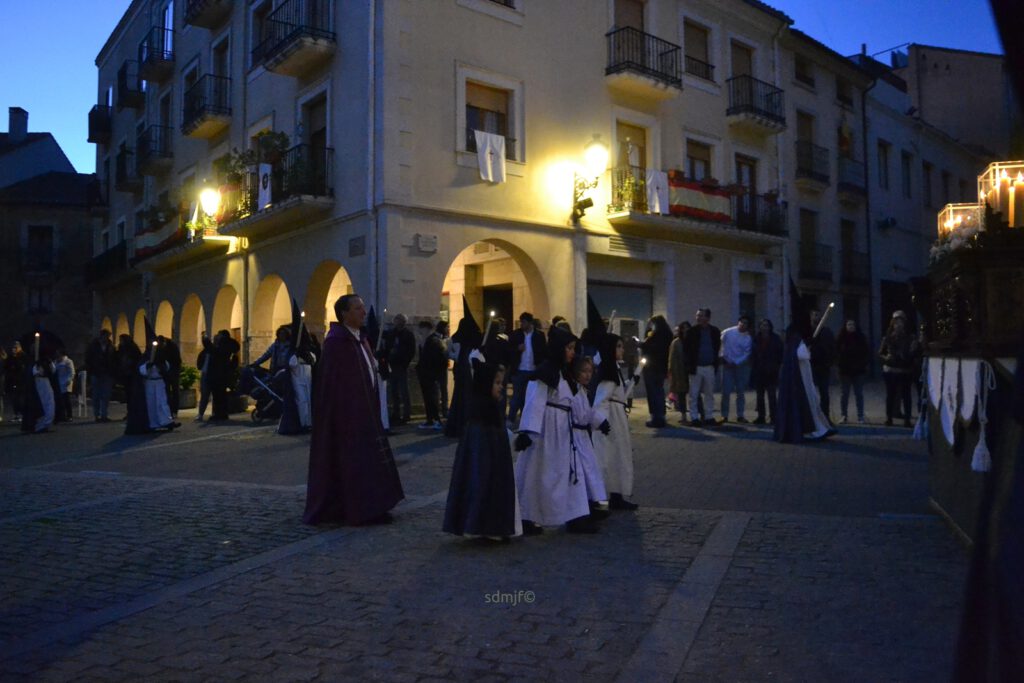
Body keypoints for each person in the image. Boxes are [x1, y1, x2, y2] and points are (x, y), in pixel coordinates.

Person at [304, 294, 404, 525]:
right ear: (344, 314)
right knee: (355, 464)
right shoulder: (336, 343)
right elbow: (333, 385)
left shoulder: (361, 339)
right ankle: (360, 509)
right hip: (348, 418)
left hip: (367, 412)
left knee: (371, 462)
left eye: (362, 308)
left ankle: (377, 505)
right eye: (357, 308)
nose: (363, 312)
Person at [513, 325, 600, 534]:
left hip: (564, 431)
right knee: (538, 474)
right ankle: (527, 516)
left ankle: (576, 515)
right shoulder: (545, 373)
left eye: (573, 348)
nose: (571, 352)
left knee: (571, 472)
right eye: (568, 348)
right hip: (545, 433)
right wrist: (527, 431)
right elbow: (534, 402)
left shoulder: (565, 374)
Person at [443, 360, 521, 541]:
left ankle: (490, 525)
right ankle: (484, 524)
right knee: (483, 485)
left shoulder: (491, 411)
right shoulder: (479, 418)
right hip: (485, 465)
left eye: (501, 383)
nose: (501, 388)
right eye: (497, 383)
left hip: (492, 462)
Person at [593, 333, 640, 510]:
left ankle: (617, 493)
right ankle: (613, 494)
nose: (621, 349)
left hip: (616, 416)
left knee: (618, 456)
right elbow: (602, 399)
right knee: (613, 456)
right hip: (612, 418)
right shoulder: (609, 370)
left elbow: (617, 392)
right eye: (618, 346)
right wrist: (602, 421)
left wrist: (630, 382)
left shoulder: (613, 369)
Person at [774, 324, 834, 443]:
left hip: (803, 379)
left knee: (812, 404)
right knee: (810, 404)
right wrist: (807, 348)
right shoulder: (797, 343)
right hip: (802, 381)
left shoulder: (791, 344)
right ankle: (817, 430)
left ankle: (819, 429)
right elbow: (803, 356)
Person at [570, 355, 611, 517]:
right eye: (583, 371)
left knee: (590, 470)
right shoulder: (574, 392)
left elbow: (588, 412)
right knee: (583, 472)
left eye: (590, 371)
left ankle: (595, 503)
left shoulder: (582, 391)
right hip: (576, 437)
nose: (587, 375)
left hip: (584, 438)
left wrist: (601, 422)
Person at [444, 313, 482, 438]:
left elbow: (448, 353)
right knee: (466, 396)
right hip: (465, 370)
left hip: (460, 369)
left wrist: (456, 358)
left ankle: (459, 423)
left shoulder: (457, 337)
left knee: (460, 396)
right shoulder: (468, 339)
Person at [683, 308, 721, 427]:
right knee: (694, 393)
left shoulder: (714, 331)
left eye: (701, 315)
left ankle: (709, 416)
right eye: (697, 315)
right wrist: (688, 365)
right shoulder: (692, 331)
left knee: (709, 393)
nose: (698, 318)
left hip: (709, 366)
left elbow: (717, 347)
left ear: (708, 318)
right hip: (696, 367)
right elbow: (686, 349)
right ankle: (694, 417)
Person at [879, 311, 917, 428]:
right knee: (891, 395)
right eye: (896, 322)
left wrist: (911, 353)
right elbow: (881, 353)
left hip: (905, 370)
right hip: (891, 370)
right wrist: (887, 358)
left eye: (901, 322)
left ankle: (907, 419)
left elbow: (913, 352)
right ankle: (889, 418)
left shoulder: (910, 338)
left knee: (906, 396)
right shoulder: (888, 338)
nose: (898, 325)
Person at [507, 312, 545, 424]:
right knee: (516, 396)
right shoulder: (516, 335)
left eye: (523, 322)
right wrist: (517, 349)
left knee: (529, 397)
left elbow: (542, 352)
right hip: (519, 370)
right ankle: (511, 418)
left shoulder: (539, 335)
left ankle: (525, 419)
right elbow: (509, 350)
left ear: (529, 323)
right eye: (521, 322)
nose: (521, 324)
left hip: (533, 370)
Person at [640, 315, 673, 428]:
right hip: (662, 367)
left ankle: (656, 417)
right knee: (659, 391)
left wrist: (640, 342)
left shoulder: (655, 335)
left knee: (652, 392)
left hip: (651, 367)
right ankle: (661, 415)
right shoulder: (668, 335)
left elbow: (647, 347)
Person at [383, 313, 415, 425]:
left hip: (402, 365)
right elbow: (387, 346)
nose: (397, 322)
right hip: (392, 364)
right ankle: (395, 413)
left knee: (403, 390)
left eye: (400, 320)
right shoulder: (391, 333)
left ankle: (406, 414)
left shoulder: (408, 334)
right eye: (396, 319)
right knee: (393, 390)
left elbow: (411, 350)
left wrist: (405, 362)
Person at [720, 316, 753, 423]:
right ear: (738, 322)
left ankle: (740, 415)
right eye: (741, 322)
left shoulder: (748, 338)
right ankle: (724, 415)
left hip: (740, 367)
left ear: (748, 326)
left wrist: (736, 363)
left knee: (740, 392)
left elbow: (747, 353)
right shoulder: (728, 332)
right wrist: (724, 358)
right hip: (727, 365)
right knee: (726, 391)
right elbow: (720, 345)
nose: (742, 325)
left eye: (745, 323)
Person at [836, 319, 870, 424]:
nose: (851, 326)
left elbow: (865, 352)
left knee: (858, 394)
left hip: (858, 370)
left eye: (852, 324)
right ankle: (843, 415)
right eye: (849, 324)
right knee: (844, 394)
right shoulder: (841, 338)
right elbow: (836, 351)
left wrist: (862, 364)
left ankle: (860, 415)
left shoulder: (860, 338)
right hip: (845, 371)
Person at [751, 319, 783, 425]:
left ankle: (774, 416)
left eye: (766, 325)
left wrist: (776, 366)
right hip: (759, 371)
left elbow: (780, 353)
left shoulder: (775, 339)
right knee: (759, 396)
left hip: (771, 371)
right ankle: (761, 416)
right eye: (762, 325)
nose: (764, 327)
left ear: (770, 327)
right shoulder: (756, 339)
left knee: (772, 395)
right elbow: (753, 354)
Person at [417, 320, 448, 430]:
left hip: (430, 374)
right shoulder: (429, 341)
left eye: (421, 331)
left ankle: (435, 420)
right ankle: (430, 419)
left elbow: (437, 359)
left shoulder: (434, 341)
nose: (420, 333)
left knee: (432, 398)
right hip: (427, 374)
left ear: (426, 329)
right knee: (428, 398)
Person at [809, 309, 836, 420]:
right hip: (810, 366)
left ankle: (825, 416)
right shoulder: (807, 331)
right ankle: (812, 416)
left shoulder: (826, 331)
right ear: (811, 317)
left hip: (823, 366)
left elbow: (832, 347)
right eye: (815, 315)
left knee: (824, 393)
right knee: (810, 393)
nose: (817, 317)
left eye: (819, 315)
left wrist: (830, 362)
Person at [482, 317, 513, 414]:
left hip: (488, 370)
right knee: (500, 392)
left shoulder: (484, 341)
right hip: (499, 369)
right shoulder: (501, 341)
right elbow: (508, 356)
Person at [208, 330, 240, 422]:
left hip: (219, 372)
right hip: (225, 372)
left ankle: (218, 413)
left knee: (218, 394)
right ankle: (222, 413)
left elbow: (215, 353)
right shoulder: (231, 345)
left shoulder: (221, 346)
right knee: (222, 394)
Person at [85, 330, 116, 423]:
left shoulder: (110, 346)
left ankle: (104, 415)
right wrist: (91, 369)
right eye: (105, 336)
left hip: (107, 372)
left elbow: (113, 358)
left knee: (106, 395)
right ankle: (97, 415)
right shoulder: (93, 346)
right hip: (96, 372)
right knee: (96, 395)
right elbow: (88, 359)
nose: (106, 338)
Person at [667, 321, 691, 418]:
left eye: (687, 328)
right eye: (683, 328)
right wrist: (671, 371)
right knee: (681, 394)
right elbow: (672, 359)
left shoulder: (692, 341)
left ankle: (699, 415)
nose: (685, 330)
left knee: (695, 394)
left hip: (691, 370)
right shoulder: (676, 342)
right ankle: (683, 415)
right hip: (679, 371)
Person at [159, 336, 182, 417]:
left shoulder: (172, 347)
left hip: (174, 372)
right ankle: (168, 409)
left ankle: (174, 410)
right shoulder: (161, 348)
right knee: (166, 391)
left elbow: (177, 360)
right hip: (166, 373)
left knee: (175, 391)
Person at [5, 342, 27, 423]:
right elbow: (7, 367)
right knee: (14, 399)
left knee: (20, 399)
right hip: (13, 380)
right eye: (13, 348)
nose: (14, 349)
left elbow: (22, 367)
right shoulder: (11, 357)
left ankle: (22, 414)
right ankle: (16, 414)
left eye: (16, 347)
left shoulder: (22, 356)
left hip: (21, 381)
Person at [195, 333, 213, 421]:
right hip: (205, 374)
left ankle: (203, 414)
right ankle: (200, 414)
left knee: (206, 395)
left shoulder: (211, 352)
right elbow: (199, 364)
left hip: (210, 375)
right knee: (204, 395)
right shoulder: (204, 353)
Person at [54, 349, 75, 422]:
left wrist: (69, 379)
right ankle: (62, 415)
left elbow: (72, 372)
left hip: (66, 381)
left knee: (66, 400)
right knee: (60, 400)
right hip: (59, 381)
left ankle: (69, 415)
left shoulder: (68, 361)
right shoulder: (56, 362)